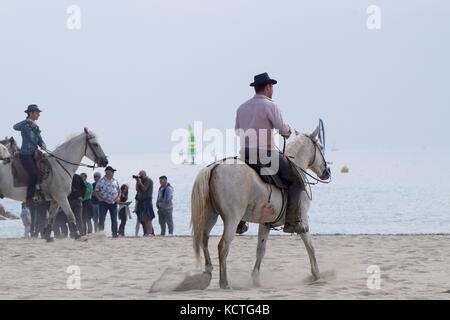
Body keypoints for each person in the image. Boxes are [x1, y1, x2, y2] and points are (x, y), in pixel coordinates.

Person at [235, 73, 304, 234]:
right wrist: (287, 131)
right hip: (264, 153)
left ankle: (239, 222)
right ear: (267, 87)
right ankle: (292, 222)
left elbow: (238, 131)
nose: (272, 89)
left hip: (244, 153)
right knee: (297, 181)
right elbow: (282, 128)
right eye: (271, 86)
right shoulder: (270, 105)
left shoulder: (241, 107)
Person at [13, 105, 47, 207]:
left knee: (45, 170)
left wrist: (42, 144)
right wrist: (27, 121)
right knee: (33, 173)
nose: (39, 115)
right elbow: (15, 127)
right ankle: (29, 198)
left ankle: (40, 193)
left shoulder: (36, 127)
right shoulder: (25, 125)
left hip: (35, 154)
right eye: (37, 112)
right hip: (25, 154)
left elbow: (39, 138)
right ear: (31, 113)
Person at [94, 166, 121, 238]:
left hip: (113, 203)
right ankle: (101, 234)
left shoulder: (115, 181)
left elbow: (119, 191)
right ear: (107, 172)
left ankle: (115, 234)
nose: (113, 173)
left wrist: (118, 197)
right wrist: (99, 198)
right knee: (102, 218)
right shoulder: (101, 181)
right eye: (112, 172)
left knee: (114, 219)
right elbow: (96, 191)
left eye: (113, 172)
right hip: (104, 203)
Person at [134, 170, 155, 236]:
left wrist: (140, 182)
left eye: (141, 175)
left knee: (148, 217)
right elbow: (137, 189)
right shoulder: (141, 181)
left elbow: (144, 189)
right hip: (141, 201)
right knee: (144, 218)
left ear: (145, 174)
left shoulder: (148, 180)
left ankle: (150, 233)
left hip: (147, 201)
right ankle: (147, 233)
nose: (140, 176)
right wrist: (137, 181)